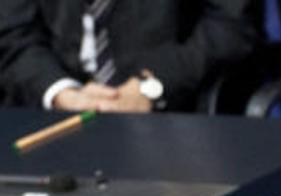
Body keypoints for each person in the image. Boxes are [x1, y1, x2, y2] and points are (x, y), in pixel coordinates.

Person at [0, 0, 261, 113]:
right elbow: (12, 34)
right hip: (50, 110)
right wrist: (61, 93)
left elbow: (231, 28)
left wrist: (152, 88)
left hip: (172, 111)